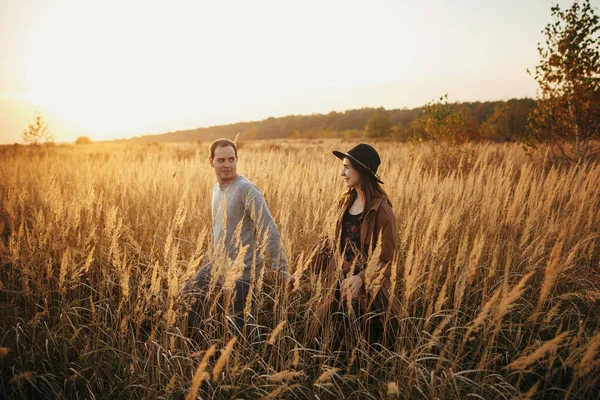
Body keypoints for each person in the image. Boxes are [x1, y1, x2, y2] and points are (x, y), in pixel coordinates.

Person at [181, 138, 289, 341]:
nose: (227, 165)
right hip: (217, 265)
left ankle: (257, 365)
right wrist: (207, 261)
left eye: (231, 159)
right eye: (221, 160)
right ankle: (201, 353)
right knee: (187, 299)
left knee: (241, 327)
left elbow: (269, 229)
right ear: (211, 161)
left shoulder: (246, 189)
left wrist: (281, 269)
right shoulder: (216, 189)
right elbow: (219, 233)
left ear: (237, 160)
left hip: (243, 271)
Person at [309, 143, 401, 348]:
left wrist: (361, 279)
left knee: (362, 349)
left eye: (347, 167)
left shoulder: (383, 212)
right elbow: (326, 243)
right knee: (329, 345)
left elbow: (387, 260)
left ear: (362, 170)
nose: (342, 173)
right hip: (338, 287)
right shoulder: (343, 203)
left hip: (367, 296)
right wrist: (304, 272)